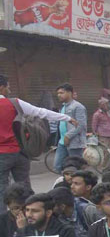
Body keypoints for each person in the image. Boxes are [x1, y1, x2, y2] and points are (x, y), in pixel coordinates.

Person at [0, 74, 77, 204]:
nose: (10, 90)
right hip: (20, 153)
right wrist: (67, 118)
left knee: (1, 189)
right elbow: (41, 112)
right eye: (8, 87)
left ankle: (3, 221)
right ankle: (31, 214)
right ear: (1, 87)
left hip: (2, 156)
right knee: (24, 188)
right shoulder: (14, 103)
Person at [54, 83, 88, 172]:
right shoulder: (63, 107)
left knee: (76, 166)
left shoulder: (78, 107)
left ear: (70, 93)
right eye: (58, 93)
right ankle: (69, 182)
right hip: (62, 142)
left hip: (74, 143)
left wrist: (68, 136)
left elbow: (81, 125)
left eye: (62, 93)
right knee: (58, 166)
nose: (59, 95)